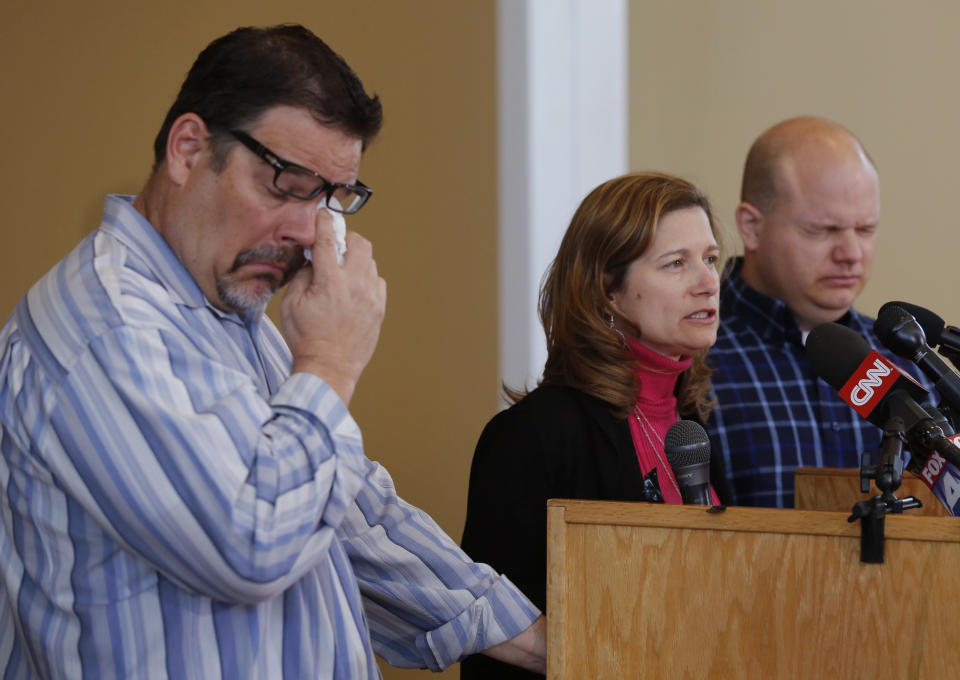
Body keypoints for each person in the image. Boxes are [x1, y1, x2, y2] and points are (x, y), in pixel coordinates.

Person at [0, 25, 544, 679]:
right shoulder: (107, 329)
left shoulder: (231, 307)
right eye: (286, 182)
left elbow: (342, 508)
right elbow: (252, 544)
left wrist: (547, 641)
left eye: (331, 198)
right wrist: (332, 363)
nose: (304, 231)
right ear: (189, 148)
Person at [460, 172, 732, 679]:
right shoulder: (534, 435)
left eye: (711, 259)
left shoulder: (694, 422)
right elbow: (491, 640)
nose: (707, 281)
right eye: (676, 264)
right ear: (608, 290)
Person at [707, 116, 933, 508]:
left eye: (866, 229)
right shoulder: (692, 354)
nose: (850, 254)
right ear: (751, 227)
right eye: (822, 230)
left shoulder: (905, 360)